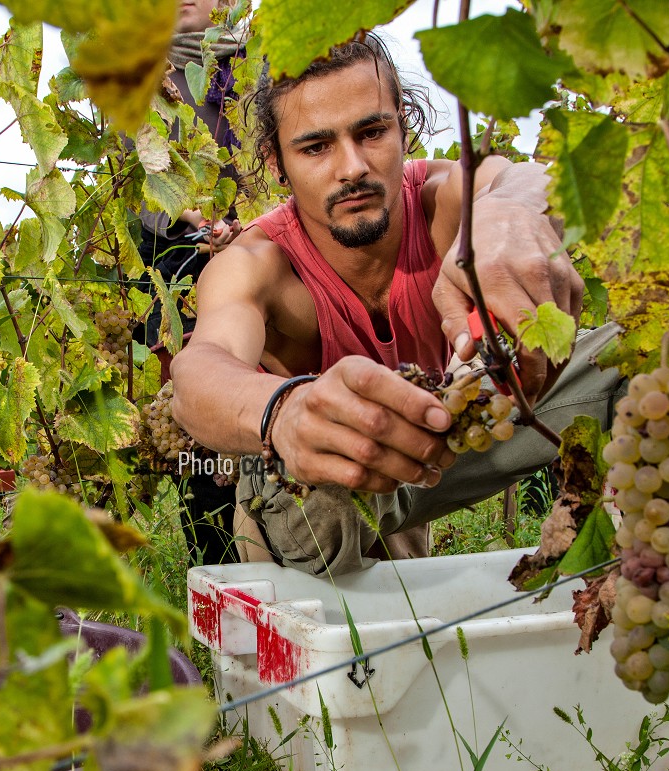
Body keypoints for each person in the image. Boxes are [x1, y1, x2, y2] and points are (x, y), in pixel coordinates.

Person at [170, 32, 624, 576]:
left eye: (372, 131)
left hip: (437, 440)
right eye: (316, 147)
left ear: (403, 124)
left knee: (636, 362)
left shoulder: (446, 202)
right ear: (275, 163)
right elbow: (198, 375)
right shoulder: (259, 263)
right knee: (357, 627)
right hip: (317, 493)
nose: (353, 166)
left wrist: (514, 212)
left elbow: (522, 179)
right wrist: (287, 413)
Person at [136, 0, 246, 566]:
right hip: (180, 270)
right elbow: (145, 185)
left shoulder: (261, 70)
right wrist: (201, 222)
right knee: (198, 433)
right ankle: (219, 581)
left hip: (269, 259)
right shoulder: (142, 76)